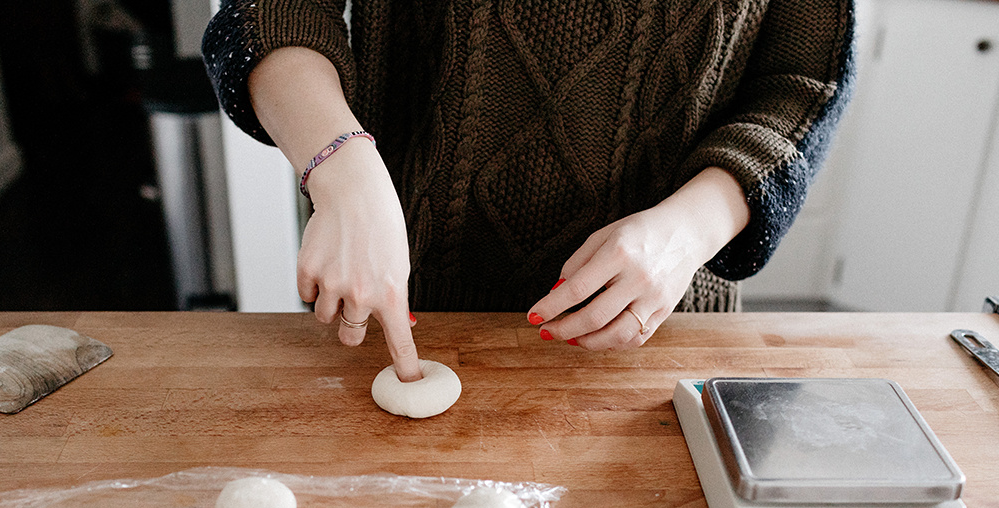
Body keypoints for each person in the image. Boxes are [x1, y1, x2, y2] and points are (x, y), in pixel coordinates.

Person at [202, 1, 856, 382]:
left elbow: (804, 79)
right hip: (393, 310)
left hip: (657, 334)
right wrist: (341, 168)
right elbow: (267, 10)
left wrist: (688, 229)